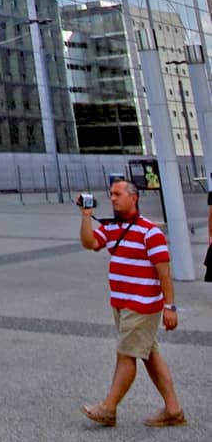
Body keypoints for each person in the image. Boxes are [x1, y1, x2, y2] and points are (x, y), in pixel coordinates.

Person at [78, 177, 185, 427]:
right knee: (150, 355)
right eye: (111, 194)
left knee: (126, 354)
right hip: (122, 305)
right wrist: (86, 216)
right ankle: (174, 410)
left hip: (142, 306)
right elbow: (90, 243)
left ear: (133, 197)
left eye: (118, 194)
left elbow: (164, 273)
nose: (113, 198)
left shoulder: (150, 232)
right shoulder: (113, 228)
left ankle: (108, 408)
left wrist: (169, 307)